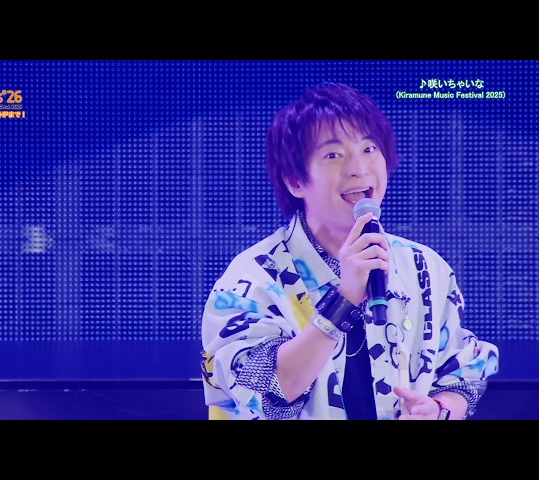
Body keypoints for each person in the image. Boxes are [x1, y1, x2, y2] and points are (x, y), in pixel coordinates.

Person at [200, 82, 499, 420]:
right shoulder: (251, 279)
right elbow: (265, 393)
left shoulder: (423, 266)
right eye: (333, 154)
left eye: (369, 148)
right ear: (295, 181)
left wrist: (440, 408)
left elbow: (462, 374)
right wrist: (344, 298)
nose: (359, 168)